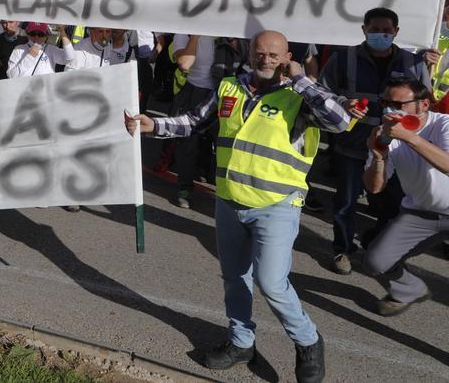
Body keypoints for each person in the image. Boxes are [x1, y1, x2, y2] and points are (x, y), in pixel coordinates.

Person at [127, 30, 347, 383]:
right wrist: (155, 125)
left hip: (276, 205)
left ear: (287, 55)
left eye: (274, 55)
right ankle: (242, 341)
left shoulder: (299, 94)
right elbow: (193, 120)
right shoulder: (230, 86)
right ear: (250, 51)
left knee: (271, 283)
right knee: (234, 277)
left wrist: (302, 80)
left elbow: (341, 121)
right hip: (229, 201)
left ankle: (307, 341)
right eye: (260, 53)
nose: (266, 60)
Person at [319, 7, 428, 274]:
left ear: (397, 32)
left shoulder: (414, 63)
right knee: (345, 203)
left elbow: (425, 106)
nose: (381, 35)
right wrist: (344, 102)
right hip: (353, 145)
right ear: (364, 30)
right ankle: (342, 250)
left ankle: (374, 241)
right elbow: (322, 94)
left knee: (396, 206)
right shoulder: (343, 59)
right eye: (375, 30)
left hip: (397, 149)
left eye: (387, 31)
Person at [361, 77, 449, 315]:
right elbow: (374, 188)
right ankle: (410, 290)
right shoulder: (386, 134)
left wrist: (409, 137)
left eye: (399, 105)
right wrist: (378, 156)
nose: (390, 110)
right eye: (385, 103)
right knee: (375, 262)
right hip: (421, 212)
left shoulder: (443, 124)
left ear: (424, 106)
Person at [168, 34, 218, 210]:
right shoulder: (184, 32)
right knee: (188, 142)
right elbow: (185, 63)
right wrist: (195, 33)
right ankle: (184, 188)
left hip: (223, 89)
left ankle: (209, 174)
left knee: (223, 142)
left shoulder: (226, 27)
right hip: (194, 91)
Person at [6, 23, 73, 78]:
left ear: (46, 36)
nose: (36, 37)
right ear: (28, 35)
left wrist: (62, 31)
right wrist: (29, 57)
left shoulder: (51, 49)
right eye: (33, 33)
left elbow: (69, 57)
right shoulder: (19, 49)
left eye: (40, 34)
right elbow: (11, 76)